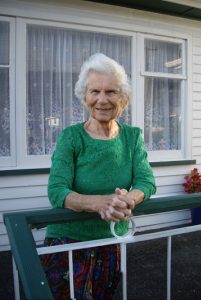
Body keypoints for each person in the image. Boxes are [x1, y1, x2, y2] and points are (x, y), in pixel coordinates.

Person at [41, 53, 156, 300]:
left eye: (111, 92)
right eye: (95, 91)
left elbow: (146, 181)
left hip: (110, 241)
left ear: (122, 99)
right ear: (85, 97)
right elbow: (57, 190)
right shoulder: (71, 137)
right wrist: (101, 202)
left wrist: (128, 199)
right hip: (68, 243)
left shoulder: (132, 137)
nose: (102, 100)